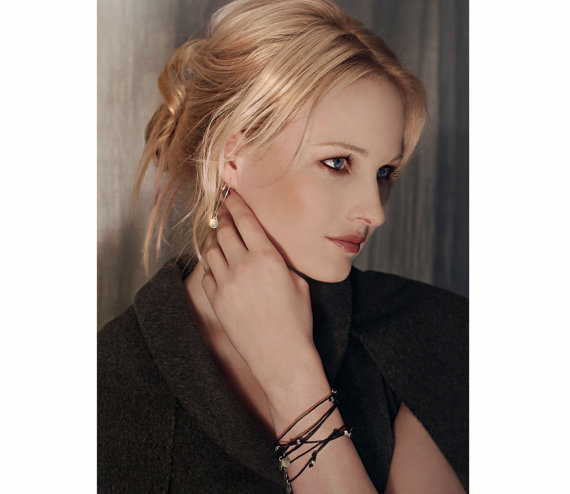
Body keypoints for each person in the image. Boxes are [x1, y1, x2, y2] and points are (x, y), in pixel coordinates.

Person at [98, 0, 468, 492]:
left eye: (384, 172)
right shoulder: (103, 390)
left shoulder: (431, 333)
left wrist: (291, 372)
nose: (375, 212)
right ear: (232, 156)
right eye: (338, 162)